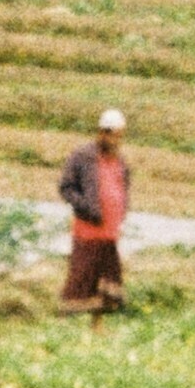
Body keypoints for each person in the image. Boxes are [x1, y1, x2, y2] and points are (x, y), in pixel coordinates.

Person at [55, 107, 134, 311]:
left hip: (110, 234)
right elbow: (66, 187)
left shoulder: (120, 161)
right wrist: (87, 209)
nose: (116, 141)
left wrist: (121, 212)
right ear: (102, 133)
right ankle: (69, 325)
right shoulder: (82, 156)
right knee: (81, 282)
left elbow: (123, 188)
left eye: (119, 137)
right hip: (88, 231)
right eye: (113, 136)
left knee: (108, 287)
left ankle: (98, 327)